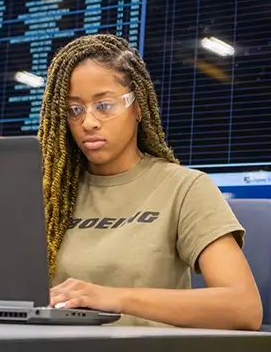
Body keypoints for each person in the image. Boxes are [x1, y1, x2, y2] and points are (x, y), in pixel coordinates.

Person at [37, 33, 262, 330]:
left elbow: (243, 308)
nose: (88, 123)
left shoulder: (184, 189)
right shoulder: (48, 196)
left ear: (137, 107)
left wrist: (113, 298)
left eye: (104, 105)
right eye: (74, 110)